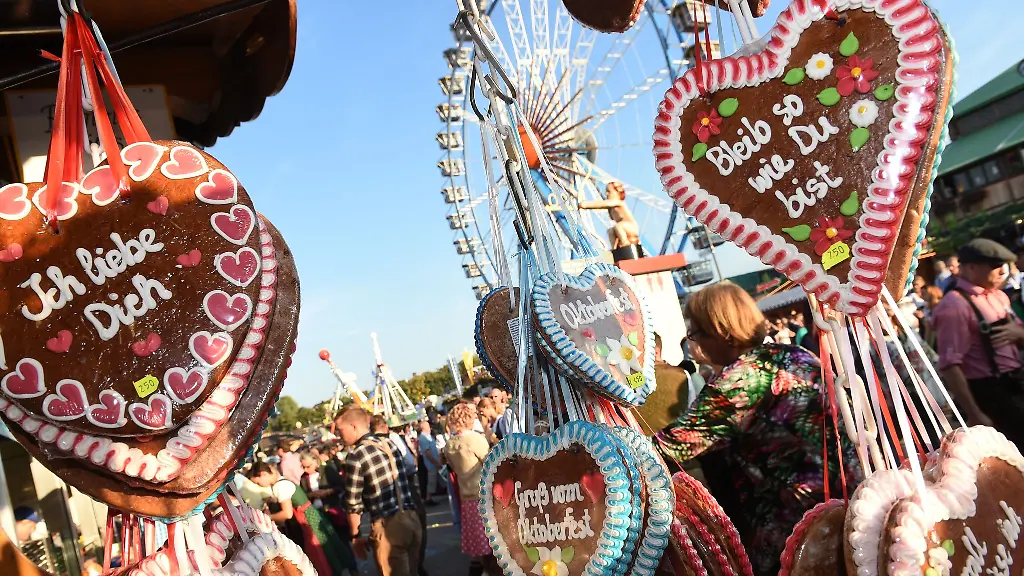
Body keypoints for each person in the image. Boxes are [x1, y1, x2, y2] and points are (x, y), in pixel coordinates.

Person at [653, 282, 861, 576]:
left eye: (696, 334)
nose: (695, 344)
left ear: (721, 330)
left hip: (794, 522)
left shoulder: (740, 379)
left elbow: (671, 445)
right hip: (847, 498)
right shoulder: (794, 354)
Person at [933, 238, 1024, 446]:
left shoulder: (999, 296)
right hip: (992, 394)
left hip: (1016, 381)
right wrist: (974, 413)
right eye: (995, 265)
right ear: (971, 268)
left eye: (1004, 265)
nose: (1003, 271)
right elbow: (950, 366)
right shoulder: (954, 305)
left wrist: (1017, 332)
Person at [336, 406, 422, 576]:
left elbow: (353, 504)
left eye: (340, 430)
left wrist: (356, 536)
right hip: (411, 518)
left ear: (354, 426)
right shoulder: (387, 443)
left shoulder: (356, 455)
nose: (339, 436)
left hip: (388, 526)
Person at [249, 460, 357, 576]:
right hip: (312, 515)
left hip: (307, 519)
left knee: (323, 554)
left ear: (263, 474)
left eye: (258, 482)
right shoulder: (283, 481)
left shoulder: (280, 486)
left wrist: (267, 517)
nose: (259, 485)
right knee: (329, 550)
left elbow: (287, 513)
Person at [445, 403, 499, 576]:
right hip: (483, 495)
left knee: (478, 547)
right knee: (493, 543)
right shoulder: (474, 439)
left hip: (466, 496)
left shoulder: (450, 444)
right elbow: (490, 462)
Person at [372, 416, 429, 576]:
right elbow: (408, 464)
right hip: (403, 485)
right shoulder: (391, 439)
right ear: (385, 426)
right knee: (415, 526)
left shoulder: (371, 445)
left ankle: (411, 565)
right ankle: (416, 565)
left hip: (385, 494)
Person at [578, 181, 641, 250]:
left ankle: (625, 243)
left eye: (609, 191)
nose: (606, 194)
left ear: (617, 192)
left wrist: (585, 205)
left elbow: (602, 204)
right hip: (623, 226)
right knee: (610, 231)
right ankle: (615, 249)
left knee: (618, 226)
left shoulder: (618, 202)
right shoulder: (611, 207)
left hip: (630, 226)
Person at [416, 420, 442, 504]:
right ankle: (428, 498)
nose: (429, 427)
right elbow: (427, 452)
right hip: (431, 464)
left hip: (434, 462)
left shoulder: (428, 436)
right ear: (423, 427)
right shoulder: (423, 437)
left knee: (438, 479)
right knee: (431, 481)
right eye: (427, 426)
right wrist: (436, 462)